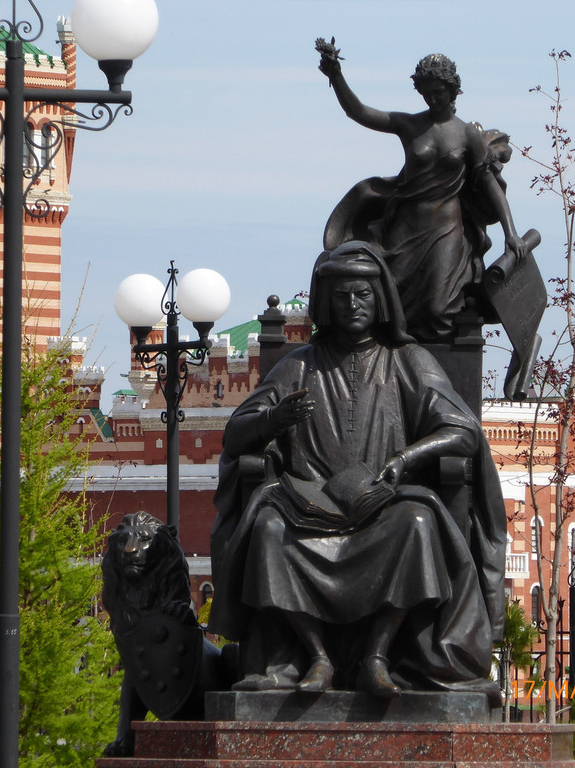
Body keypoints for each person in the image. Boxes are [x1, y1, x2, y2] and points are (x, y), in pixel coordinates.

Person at [208, 242, 505, 698]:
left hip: (380, 504)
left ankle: (378, 656)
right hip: (307, 504)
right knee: (267, 527)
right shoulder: (298, 366)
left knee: (419, 522)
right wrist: (273, 420)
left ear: (379, 300)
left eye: (362, 295)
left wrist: (405, 459)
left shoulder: (408, 361)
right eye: (342, 296)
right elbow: (235, 436)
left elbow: (462, 431)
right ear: (326, 302)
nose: (352, 305)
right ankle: (317, 657)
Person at [316, 40, 526, 343]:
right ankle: (399, 361)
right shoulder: (410, 125)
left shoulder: (467, 134)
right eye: (425, 92)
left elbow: (489, 184)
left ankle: (436, 373)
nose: (432, 99)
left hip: (446, 228)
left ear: (453, 90)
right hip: (405, 225)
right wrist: (336, 77)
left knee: (439, 306)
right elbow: (359, 112)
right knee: (393, 299)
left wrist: (511, 232)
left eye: (438, 92)